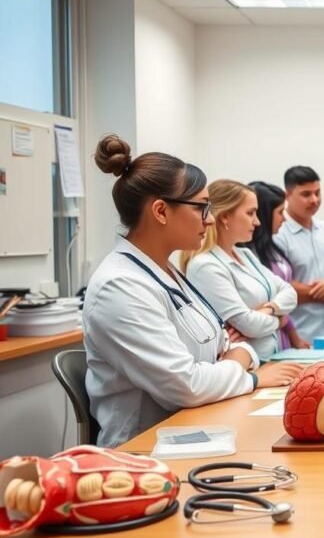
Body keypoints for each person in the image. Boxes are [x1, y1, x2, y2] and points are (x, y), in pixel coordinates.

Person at [83, 135, 302, 448]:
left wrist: (236, 355)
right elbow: (185, 384)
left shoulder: (167, 271)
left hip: (198, 427)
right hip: (145, 450)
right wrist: (249, 374)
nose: (210, 218)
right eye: (202, 207)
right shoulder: (119, 287)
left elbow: (230, 341)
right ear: (160, 211)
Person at [181, 180, 299, 361]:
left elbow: (289, 292)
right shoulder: (205, 266)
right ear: (225, 217)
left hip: (270, 359)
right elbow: (248, 324)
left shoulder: (245, 254)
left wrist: (269, 309)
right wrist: (280, 320)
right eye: (250, 213)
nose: (257, 222)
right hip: (245, 367)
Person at [273, 166, 324, 340]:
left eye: (318, 193)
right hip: (299, 335)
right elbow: (279, 285)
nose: (314, 200)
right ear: (288, 195)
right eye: (306, 194)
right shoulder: (278, 233)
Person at [243, 180, 310, 350]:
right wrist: (279, 317)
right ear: (266, 214)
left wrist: (294, 337)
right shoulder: (246, 254)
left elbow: (287, 294)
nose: (284, 219)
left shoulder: (272, 248)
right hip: (264, 335)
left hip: (281, 333)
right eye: (280, 212)